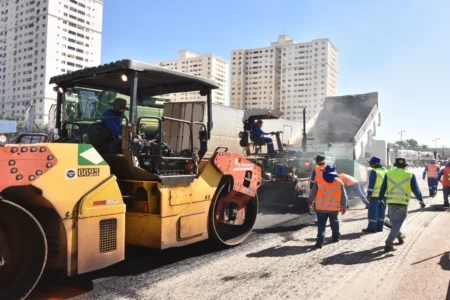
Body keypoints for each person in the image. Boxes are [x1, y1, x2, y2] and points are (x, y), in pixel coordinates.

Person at [379, 157, 425, 252]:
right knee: (397, 223)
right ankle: (389, 243)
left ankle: (400, 236)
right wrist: (421, 200)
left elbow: (383, 188)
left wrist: (380, 200)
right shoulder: (410, 175)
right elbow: (416, 189)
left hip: (391, 202)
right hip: (402, 202)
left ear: (396, 165)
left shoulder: (389, 173)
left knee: (394, 223)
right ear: (405, 165)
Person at [308, 165, 348, 249]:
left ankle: (320, 241)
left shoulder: (318, 181)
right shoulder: (340, 182)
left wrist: (310, 201)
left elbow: (313, 193)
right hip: (334, 208)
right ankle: (335, 237)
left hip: (320, 208)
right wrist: (344, 205)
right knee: (334, 222)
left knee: (321, 225)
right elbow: (343, 195)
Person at [362, 156, 388, 233]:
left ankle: (372, 228)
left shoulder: (374, 171)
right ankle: (380, 227)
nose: (370, 164)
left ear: (375, 164)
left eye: (371, 163)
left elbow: (371, 184)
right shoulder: (386, 171)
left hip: (375, 196)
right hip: (384, 196)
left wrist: (369, 194)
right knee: (381, 211)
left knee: (372, 211)